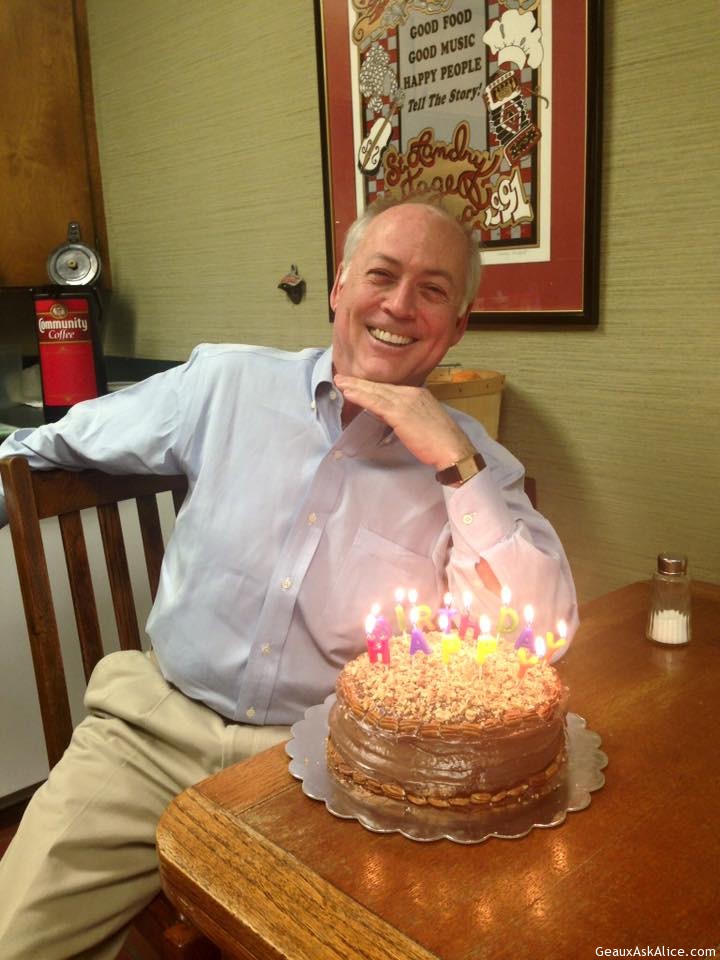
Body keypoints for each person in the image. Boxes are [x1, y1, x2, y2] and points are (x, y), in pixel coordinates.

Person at [0, 197, 578, 959]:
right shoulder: (224, 384)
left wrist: (454, 465)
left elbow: (538, 635)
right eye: (382, 275)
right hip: (149, 730)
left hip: (326, 766)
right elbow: (44, 447)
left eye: (433, 289)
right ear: (339, 288)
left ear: (458, 324)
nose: (399, 305)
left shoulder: (472, 465)